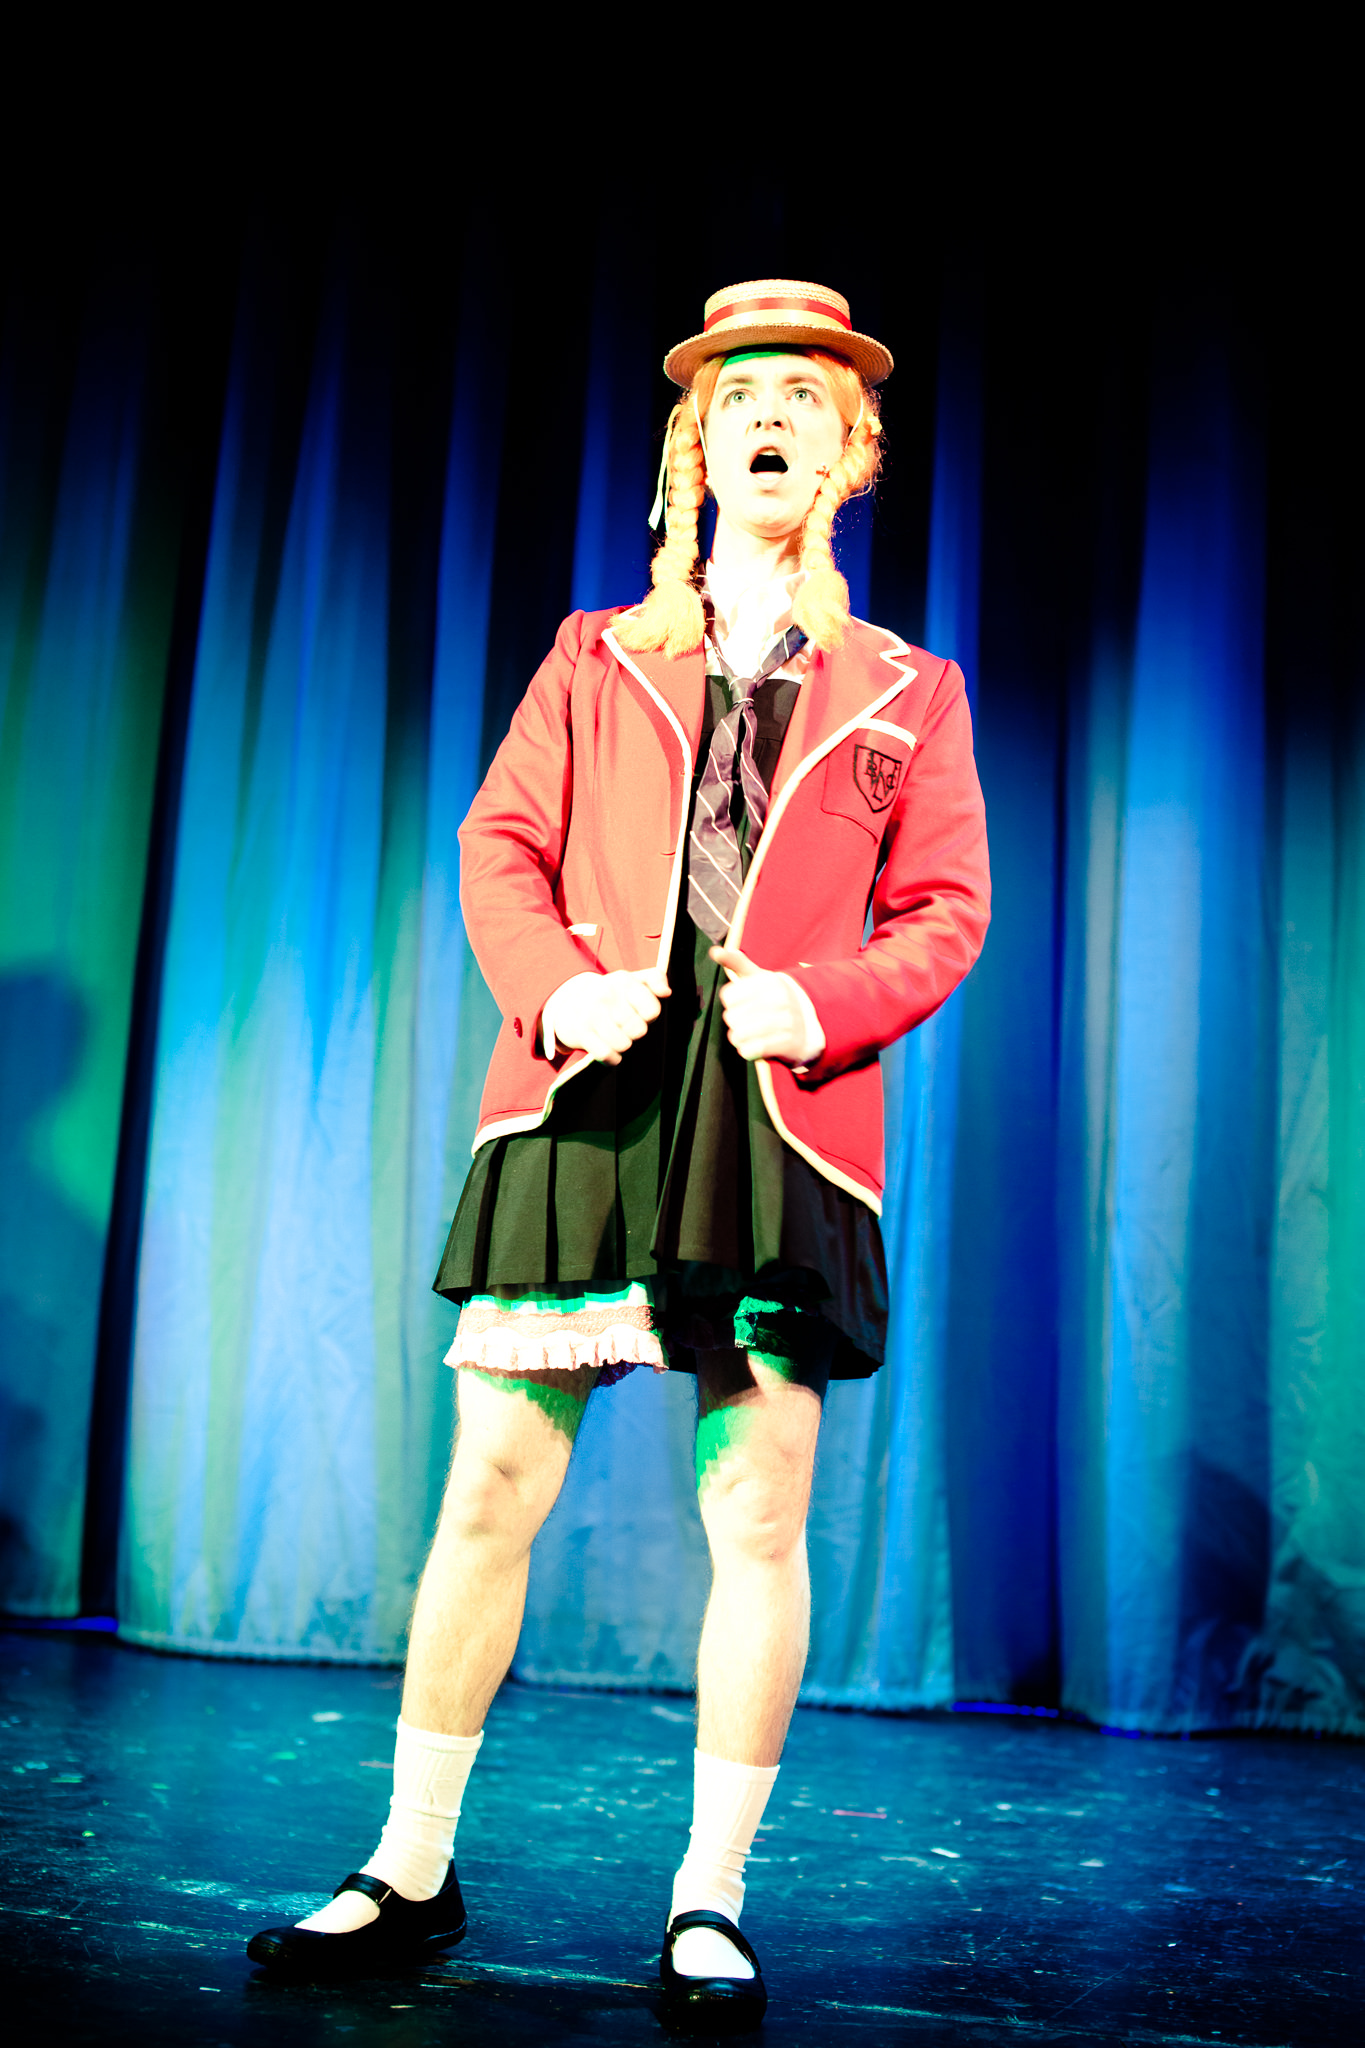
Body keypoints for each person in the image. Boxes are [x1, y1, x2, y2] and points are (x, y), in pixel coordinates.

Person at [247, 279, 990, 2027]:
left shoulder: (909, 688)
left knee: (757, 1509)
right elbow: (499, 844)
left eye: (804, 397)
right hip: (587, 1104)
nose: (770, 416)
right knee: (490, 1489)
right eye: (742, 394)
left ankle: (708, 1897)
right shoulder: (596, 655)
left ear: (851, 454)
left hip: (777, 1130)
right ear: (695, 444)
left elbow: (946, 909)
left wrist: (822, 1004)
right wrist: (559, 990)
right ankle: (409, 1867)